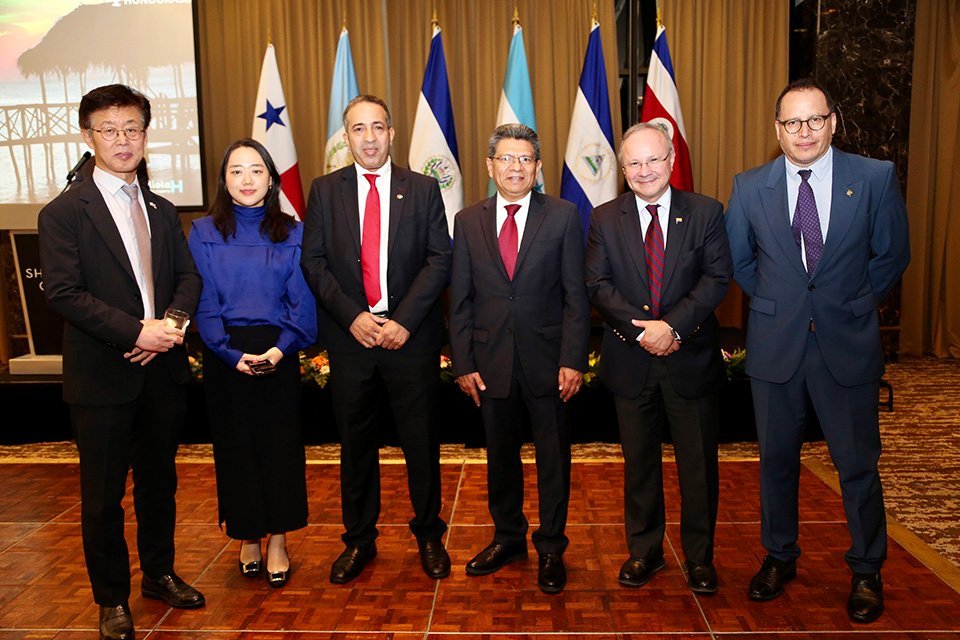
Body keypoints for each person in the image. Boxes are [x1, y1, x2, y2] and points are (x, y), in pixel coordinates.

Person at [725, 78, 910, 623]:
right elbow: (741, 263)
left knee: (857, 466)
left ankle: (866, 570)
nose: (802, 131)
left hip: (846, 344)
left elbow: (892, 253)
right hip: (776, 348)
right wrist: (782, 306)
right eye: (791, 122)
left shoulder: (874, 178)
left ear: (833, 122)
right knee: (776, 464)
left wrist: (851, 302)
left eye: (813, 120)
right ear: (776, 129)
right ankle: (780, 558)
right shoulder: (748, 185)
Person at [37, 84, 204, 640]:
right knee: (103, 497)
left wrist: (171, 327)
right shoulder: (64, 212)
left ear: (146, 134)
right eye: (108, 130)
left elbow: (187, 277)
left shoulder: (159, 206)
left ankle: (158, 574)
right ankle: (111, 599)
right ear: (89, 137)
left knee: (160, 485)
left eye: (132, 128)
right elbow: (63, 292)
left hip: (161, 376)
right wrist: (138, 332)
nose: (122, 140)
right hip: (102, 378)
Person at [301, 94, 452, 584]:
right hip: (353, 341)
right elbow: (314, 263)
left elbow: (439, 260)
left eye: (378, 127)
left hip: (411, 338)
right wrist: (352, 318)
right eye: (358, 128)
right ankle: (359, 540)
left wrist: (404, 321)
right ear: (346, 138)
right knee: (356, 445)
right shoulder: (324, 191)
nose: (369, 137)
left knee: (421, 442)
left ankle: (429, 535)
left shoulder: (424, 188)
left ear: (392, 133)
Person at [585, 122, 732, 594]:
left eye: (654, 159)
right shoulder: (605, 218)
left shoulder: (707, 212)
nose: (645, 170)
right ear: (623, 169)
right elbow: (597, 285)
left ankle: (700, 558)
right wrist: (643, 332)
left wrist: (673, 328)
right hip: (632, 361)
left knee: (698, 467)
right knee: (639, 465)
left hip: (689, 359)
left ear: (671, 160)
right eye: (634, 162)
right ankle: (644, 552)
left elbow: (715, 279)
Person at [449, 123, 590, 593]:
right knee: (500, 459)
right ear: (490, 166)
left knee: (553, 460)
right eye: (506, 159)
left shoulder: (565, 216)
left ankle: (551, 546)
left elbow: (576, 296)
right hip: (490, 365)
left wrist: (573, 359)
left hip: (550, 363)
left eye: (525, 159)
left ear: (538, 167)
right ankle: (507, 537)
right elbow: (462, 300)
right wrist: (463, 361)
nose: (515, 167)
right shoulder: (468, 221)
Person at [188, 139, 317, 588]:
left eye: (256, 170)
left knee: (279, 449)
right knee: (237, 450)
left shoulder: (295, 231)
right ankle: (247, 537)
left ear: (271, 179)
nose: (247, 179)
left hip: (278, 351)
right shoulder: (203, 231)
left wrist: (280, 350)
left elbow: (302, 302)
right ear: (224, 180)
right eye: (237, 171)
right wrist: (228, 353)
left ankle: (278, 538)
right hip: (226, 356)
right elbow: (202, 301)